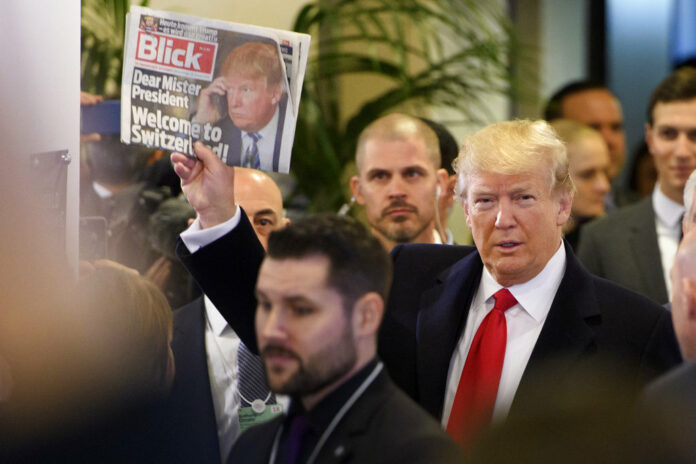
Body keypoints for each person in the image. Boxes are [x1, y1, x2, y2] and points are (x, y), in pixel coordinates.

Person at [172, 117, 680, 451]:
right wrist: (217, 213)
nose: (502, 219)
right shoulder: (412, 275)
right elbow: (289, 327)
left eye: (523, 198)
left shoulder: (635, 329)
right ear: (460, 205)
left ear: (562, 205)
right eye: (484, 201)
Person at [231, 214, 462, 463]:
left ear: (366, 316)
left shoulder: (421, 453)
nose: (271, 330)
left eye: (301, 309)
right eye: (265, 304)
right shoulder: (253, 446)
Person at [168, 167, 289, 463]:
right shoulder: (162, 340)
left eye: (262, 222)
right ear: (201, 232)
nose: (248, 239)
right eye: (228, 222)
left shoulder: (325, 329)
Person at [577, 68, 696, 304]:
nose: (681, 152)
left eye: (695, 135)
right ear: (650, 138)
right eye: (669, 134)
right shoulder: (603, 238)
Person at [348, 113, 450, 251]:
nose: (396, 192)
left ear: (440, 183)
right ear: (358, 190)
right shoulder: (337, 272)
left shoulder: (478, 271)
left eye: (412, 174)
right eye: (380, 176)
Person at [192, 41, 287, 171]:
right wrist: (200, 121)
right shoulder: (219, 130)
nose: (234, 103)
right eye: (230, 89)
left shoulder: (297, 135)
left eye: (246, 89)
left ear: (275, 93)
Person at [550, 119, 611, 249]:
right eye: (587, 175)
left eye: (605, 172)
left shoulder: (611, 243)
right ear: (551, 180)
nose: (604, 186)